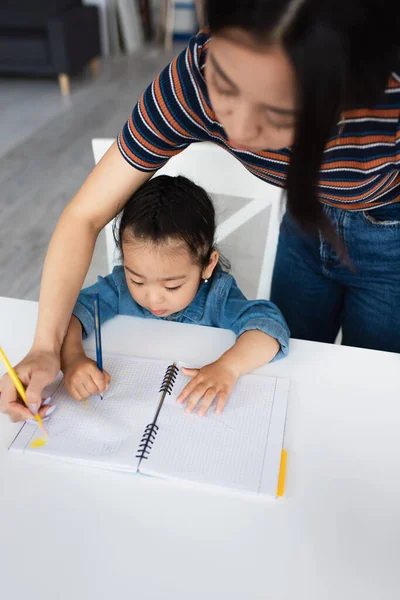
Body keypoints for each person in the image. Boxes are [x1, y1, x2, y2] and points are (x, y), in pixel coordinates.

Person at [1, 0, 399, 422]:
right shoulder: (193, 78)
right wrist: (46, 347)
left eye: (276, 113)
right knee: (288, 377)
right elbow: (85, 216)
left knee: (371, 394)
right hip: (304, 223)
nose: (240, 133)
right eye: (225, 88)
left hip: (390, 237)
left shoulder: (387, 98)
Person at [59, 175, 289, 416]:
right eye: (137, 280)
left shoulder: (217, 297)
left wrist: (228, 367)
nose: (153, 299)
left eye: (172, 287)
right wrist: (72, 358)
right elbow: (68, 313)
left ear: (207, 265)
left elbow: (269, 329)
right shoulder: (118, 288)